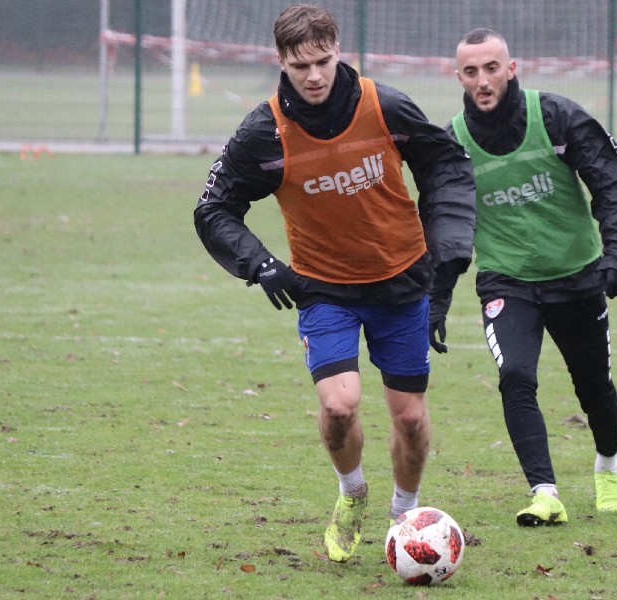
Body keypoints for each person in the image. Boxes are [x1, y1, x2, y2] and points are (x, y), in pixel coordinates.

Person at [194, 4, 476, 562]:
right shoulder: (264, 130)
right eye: (301, 66)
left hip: (401, 280)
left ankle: (404, 515)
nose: (314, 76)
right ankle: (352, 493)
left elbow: (445, 167)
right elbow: (213, 208)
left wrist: (446, 253)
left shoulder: (385, 105)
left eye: (323, 61)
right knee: (340, 406)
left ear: (339, 51)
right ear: (280, 62)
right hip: (324, 288)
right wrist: (261, 264)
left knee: (412, 418)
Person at [449, 29, 617, 526]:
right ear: (459, 78)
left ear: (511, 69)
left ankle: (607, 463)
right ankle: (545, 492)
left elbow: (613, 183)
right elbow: (441, 221)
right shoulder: (454, 142)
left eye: (492, 68)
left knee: (595, 388)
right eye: (471, 71)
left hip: (576, 277)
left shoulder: (555, 115)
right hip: (505, 281)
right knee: (515, 375)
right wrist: (433, 297)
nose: (483, 80)